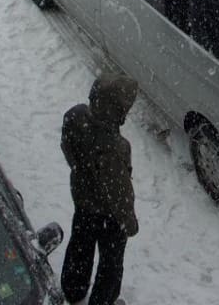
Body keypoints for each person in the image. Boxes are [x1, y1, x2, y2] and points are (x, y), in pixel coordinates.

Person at [60, 73, 139, 305]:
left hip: (83, 201)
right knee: (111, 264)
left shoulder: (74, 117)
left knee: (80, 246)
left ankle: (73, 288)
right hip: (110, 217)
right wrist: (129, 223)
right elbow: (120, 194)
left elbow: (68, 149)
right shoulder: (116, 148)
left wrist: (82, 170)